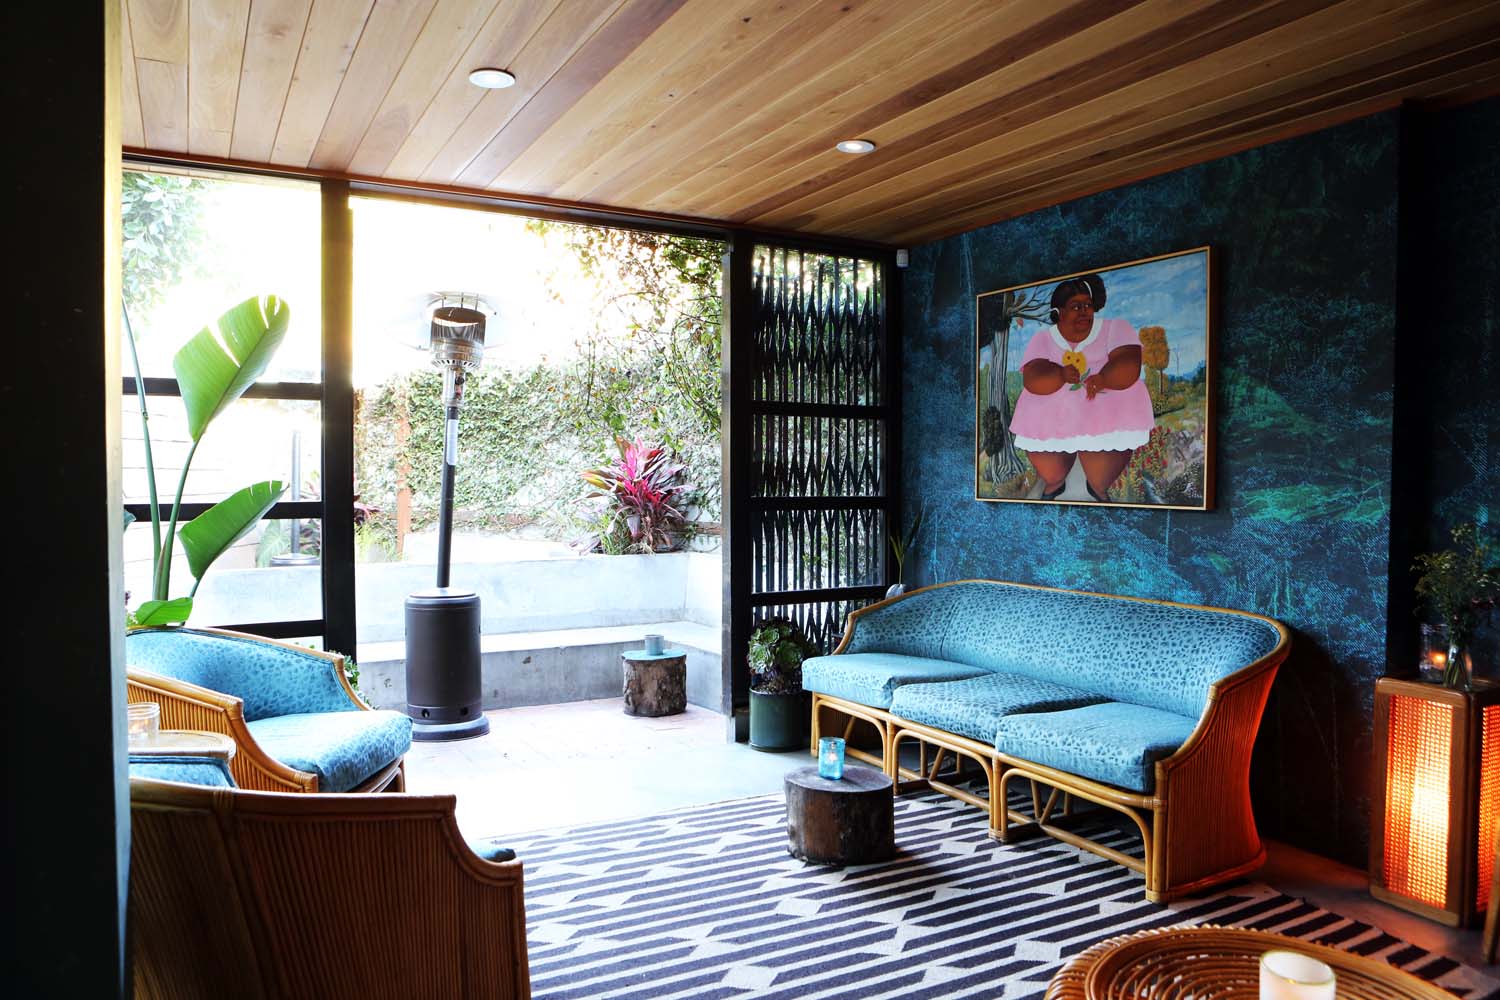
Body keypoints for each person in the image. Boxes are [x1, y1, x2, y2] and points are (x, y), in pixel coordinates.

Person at [1008, 273, 1154, 502]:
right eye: (1076, 307)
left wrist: (1105, 378)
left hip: (1105, 417)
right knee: (1052, 473)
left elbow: (1128, 362)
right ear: (1059, 312)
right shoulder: (1043, 339)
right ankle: (1055, 485)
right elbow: (1033, 376)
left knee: (1100, 478)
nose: (1085, 311)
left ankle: (1098, 488)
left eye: (1088, 305)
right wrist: (1059, 374)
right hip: (1053, 419)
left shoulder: (1115, 328)